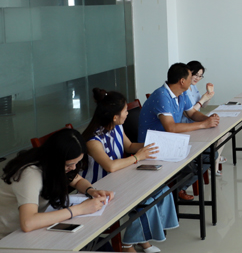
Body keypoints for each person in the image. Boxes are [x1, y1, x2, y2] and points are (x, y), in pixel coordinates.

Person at [81, 88, 178, 253]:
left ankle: (141, 238)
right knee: (145, 201)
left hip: (120, 178)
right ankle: (128, 244)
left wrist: (154, 145)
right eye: (125, 111)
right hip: (99, 187)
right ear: (115, 116)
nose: (127, 113)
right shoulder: (93, 140)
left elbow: (130, 146)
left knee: (163, 191)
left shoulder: (117, 127)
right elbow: (110, 166)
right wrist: (138, 157)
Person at [0, 128, 113, 239]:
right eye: (69, 165)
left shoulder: (51, 163)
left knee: (93, 239)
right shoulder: (30, 174)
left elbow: (77, 180)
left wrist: (91, 190)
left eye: (77, 163)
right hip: (10, 237)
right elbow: (28, 223)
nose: (73, 168)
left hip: (39, 225)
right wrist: (80, 209)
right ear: (56, 159)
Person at [138, 62, 220, 200]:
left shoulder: (181, 93)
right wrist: (203, 125)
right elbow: (171, 128)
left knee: (211, 154)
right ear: (182, 81)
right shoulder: (162, 95)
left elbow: (192, 113)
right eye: (190, 77)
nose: (193, 80)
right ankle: (173, 191)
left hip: (171, 140)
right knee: (195, 161)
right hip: (154, 146)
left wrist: (209, 119)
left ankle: (178, 189)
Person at [185, 61, 227, 174]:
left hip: (197, 120)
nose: (198, 78)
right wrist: (203, 99)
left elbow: (203, 106)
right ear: (188, 73)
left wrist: (208, 96)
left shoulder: (193, 87)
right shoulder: (183, 90)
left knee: (224, 131)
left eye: (200, 76)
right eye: (196, 75)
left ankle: (215, 159)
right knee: (220, 132)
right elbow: (190, 112)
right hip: (189, 124)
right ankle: (214, 160)